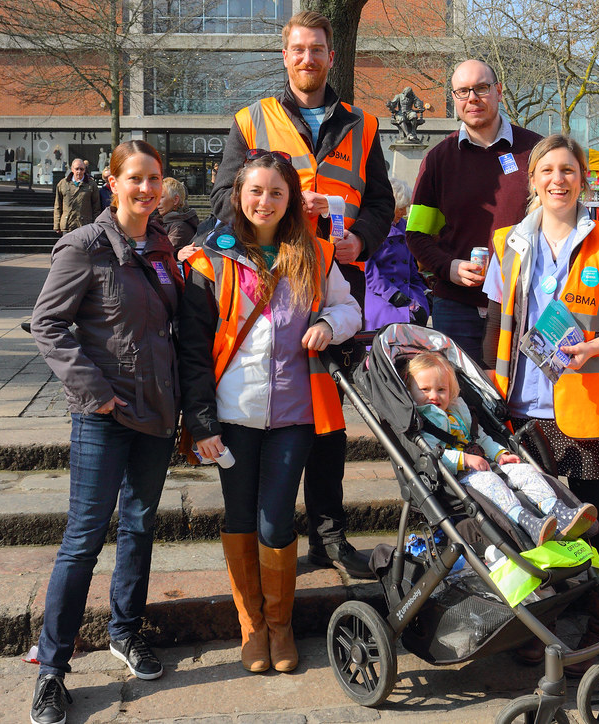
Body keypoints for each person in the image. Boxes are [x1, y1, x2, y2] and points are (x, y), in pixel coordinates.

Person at [208, 10, 395, 580]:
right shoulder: (251, 121)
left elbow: (382, 205)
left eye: (317, 49)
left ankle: (330, 536)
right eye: (297, 50)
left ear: (330, 57)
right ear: (284, 56)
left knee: (330, 424)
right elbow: (223, 200)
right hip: (268, 286)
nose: (307, 58)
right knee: (279, 416)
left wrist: (357, 238)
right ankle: (275, 533)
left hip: (333, 288)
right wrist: (279, 226)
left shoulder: (362, 125)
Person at [179, 149, 361, 675]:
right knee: (240, 518)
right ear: (238, 195)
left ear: (291, 201)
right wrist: (202, 423)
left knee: (276, 519)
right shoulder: (207, 260)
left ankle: (280, 625)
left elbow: (350, 307)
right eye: (255, 191)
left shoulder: (317, 254)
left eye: (276, 192)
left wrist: (330, 323)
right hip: (231, 415)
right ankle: (251, 627)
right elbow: (191, 351)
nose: (265, 201)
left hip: (294, 414)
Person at [483, 134, 599, 671]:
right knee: (537, 518)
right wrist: (491, 393)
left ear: (584, 178)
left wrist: (596, 346)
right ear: (532, 179)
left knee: (595, 516)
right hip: (526, 406)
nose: (558, 179)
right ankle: (545, 624)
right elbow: (494, 325)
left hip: (592, 405)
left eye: (569, 170)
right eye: (548, 170)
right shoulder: (509, 242)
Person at [28, 140, 182, 724]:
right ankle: (52, 668)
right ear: (112, 183)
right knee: (84, 536)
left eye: (154, 180)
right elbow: (48, 324)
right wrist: (95, 392)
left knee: (140, 524)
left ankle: (125, 631)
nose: (146, 190)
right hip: (104, 415)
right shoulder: (86, 246)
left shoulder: (163, 246)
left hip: (156, 414)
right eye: (135, 179)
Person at [406, 59, 541, 364]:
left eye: (481, 88)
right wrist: (448, 266)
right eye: (463, 91)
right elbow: (416, 234)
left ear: (498, 91)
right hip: (456, 306)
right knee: (458, 399)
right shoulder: (438, 160)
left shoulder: (535, 152)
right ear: (453, 98)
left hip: (522, 305)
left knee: (517, 403)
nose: (473, 99)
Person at [406, 352, 597, 545]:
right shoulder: (421, 423)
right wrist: (464, 460)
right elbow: (431, 456)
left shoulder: (458, 412)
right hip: (460, 477)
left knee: (525, 470)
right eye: (425, 389)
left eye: (441, 389)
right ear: (410, 390)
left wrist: (499, 454)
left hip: (485, 463)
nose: (434, 396)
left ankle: (556, 508)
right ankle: (527, 521)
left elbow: (480, 437)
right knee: (491, 483)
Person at [364, 177, 429, 330]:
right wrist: (391, 294)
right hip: (379, 293)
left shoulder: (403, 226)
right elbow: (368, 270)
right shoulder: (372, 226)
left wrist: (423, 290)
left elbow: (411, 266)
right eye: (400, 208)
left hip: (405, 291)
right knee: (389, 325)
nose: (404, 212)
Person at [158, 177, 200, 263]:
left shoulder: (179, 226)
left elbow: (162, 254)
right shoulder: (161, 221)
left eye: (161, 197)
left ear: (175, 200)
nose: (157, 202)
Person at [54, 158, 101, 232]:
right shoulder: (63, 184)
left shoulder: (91, 185)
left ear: (85, 170)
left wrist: (96, 225)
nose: (79, 171)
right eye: (77, 169)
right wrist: (57, 224)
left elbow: (96, 207)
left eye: (81, 169)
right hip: (67, 225)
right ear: (72, 169)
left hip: (85, 225)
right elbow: (58, 205)